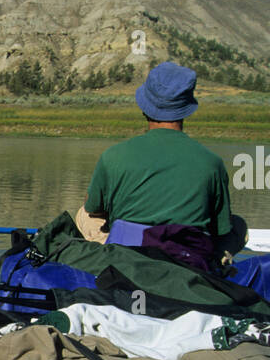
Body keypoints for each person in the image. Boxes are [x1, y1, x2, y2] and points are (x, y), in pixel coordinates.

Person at [76, 61, 246, 263]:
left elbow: (93, 207)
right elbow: (221, 227)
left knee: (84, 214)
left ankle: (105, 252)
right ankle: (214, 267)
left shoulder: (112, 156)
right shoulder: (212, 163)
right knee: (239, 226)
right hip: (187, 258)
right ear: (186, 108)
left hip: (125, 256)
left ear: (144, 106)